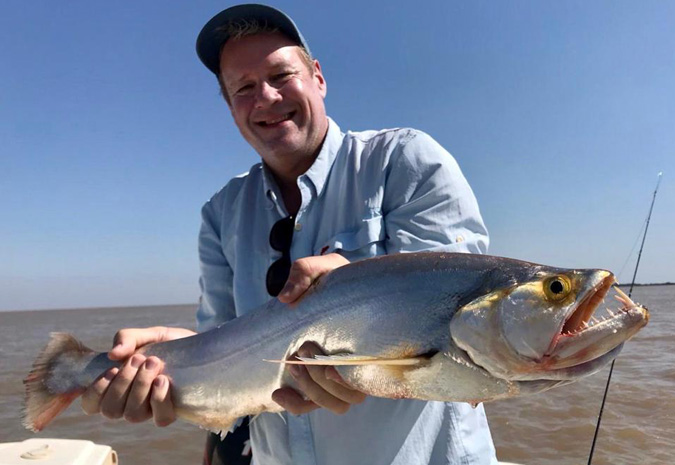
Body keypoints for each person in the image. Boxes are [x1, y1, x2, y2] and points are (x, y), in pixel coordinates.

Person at [80, 4, 498, 464]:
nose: (266, 98)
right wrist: (165, 361)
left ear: (317, 77)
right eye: (243, 87)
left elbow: (460, 321)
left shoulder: (406, 162)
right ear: (229, 106)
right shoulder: (221, 213)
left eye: (281, 76)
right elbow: (225, 342)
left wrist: (357, 293)